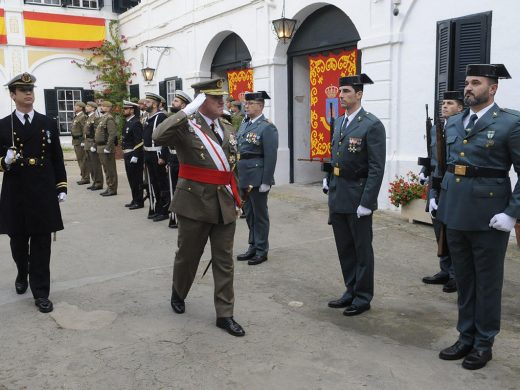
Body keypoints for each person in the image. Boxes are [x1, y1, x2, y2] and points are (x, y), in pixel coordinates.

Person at [436, 64, 520, 370]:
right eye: (467, 82)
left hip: (489, 216)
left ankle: (484, 343)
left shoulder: (511, 123)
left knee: (487, 283)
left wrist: (512, 213)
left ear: (492, 88)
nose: (468, 87)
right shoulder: (455, 121)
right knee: (465, 281)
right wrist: (439, 201)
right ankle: (465, 336)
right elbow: (448, 166)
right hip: (455, 212)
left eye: (476, 82)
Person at [153, 78, 245, 337]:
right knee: (188, 256)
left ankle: (225, 314)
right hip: (194, 202)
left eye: (222, 98)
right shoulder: (186, 126)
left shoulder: (226, 126)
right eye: (216, 98)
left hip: (224, 201)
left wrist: (239, 197)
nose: (222, 102)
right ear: (201, 101)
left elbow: (231, 165)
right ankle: (178, 291)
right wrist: (186, 110)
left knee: (224, 261)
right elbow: (158, 135)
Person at [0, 72, 67, 313]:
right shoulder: (3, 125)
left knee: (41, 243)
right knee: (18, 241)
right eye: (22, 90)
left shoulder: (47, 122)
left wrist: (61, 186)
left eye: (31, 90)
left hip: (42, 189)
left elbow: (56, 157)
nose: (28, 93)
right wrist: (4, 161)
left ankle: (41, 291)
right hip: (16, 189)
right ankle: (22, 271)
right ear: (12, 95)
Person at [326, 74, 386, 316]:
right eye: (341, 92)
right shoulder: (339, 122)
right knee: (345, 247)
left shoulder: (372, 124)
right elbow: (335, 156)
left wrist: (368, 202)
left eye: (346, 92)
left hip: (358, 194)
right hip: (339, 192)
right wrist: (327, 178)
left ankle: (363, 296)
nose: (341, 96)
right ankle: (350, 289)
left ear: (359, 94)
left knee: (362, 250)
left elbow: (376, 167)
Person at [421, 91, 464, 293]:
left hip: (453, 186)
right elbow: (433, 157)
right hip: (435, 183)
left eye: (450, 103)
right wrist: (424, 172)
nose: (444, 106)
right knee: (439, 230)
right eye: (443, 103)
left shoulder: (465, 128)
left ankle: (457, 274)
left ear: (460, 108)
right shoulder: (437, 129)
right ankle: (445, 270)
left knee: (453, 233)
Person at [235, 91, 278, 266]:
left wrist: (267, 181)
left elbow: (271, 156)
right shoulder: (244, 124)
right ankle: (253, 245)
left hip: (257, 176)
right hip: (243, 174)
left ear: (260, 106)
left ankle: (261, 250)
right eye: (246, 103)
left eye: (250, 103)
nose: (246, 106)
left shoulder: (267, 127)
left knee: (260, 215)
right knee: (250, 214)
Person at [166, 90, 192, 228]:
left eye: (176, 101)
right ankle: (174, 217)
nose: (172, 103)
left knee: (184, 189)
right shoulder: (171, 119)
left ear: (183, 105)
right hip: (172, 157)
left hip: (184, 158)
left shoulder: (188, 120)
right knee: (173, 188)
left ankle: (185, 217)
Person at [143, 92, 169, 221]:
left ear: (154, 104)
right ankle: (156, 207)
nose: (145, 104)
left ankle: (164, 210)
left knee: (161, 183)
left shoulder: (161, 117)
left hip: (157, 154)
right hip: (148, 153)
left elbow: (166, 138)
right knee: (153, 182)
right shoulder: (148, 117)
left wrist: (163, 156)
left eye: (147, 102)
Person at [122, 100, 144, 209]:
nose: (124, 110)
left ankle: (139, 201)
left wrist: (136, 155)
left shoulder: (136, 123)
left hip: (133, 155)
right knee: (131, 179)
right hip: (127, 154)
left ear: (132, 110)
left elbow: (139, 141)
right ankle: (134, 199)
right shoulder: (128, 121)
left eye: (126, 109)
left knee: (136, 179)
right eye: (124, 108)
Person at [95, 101, 118, 196]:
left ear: (108, 108)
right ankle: (109, 187)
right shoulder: (103, 118)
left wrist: (108, 147)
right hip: (101, 147)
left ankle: (112, 188)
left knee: (110, 169)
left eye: (103, 106)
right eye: (101, 106)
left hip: (106, 147)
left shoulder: (109, 119)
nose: (101, 107)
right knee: (106, 169)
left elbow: (112, 134)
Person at [84, 101, 104, 191]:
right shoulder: (89, 117)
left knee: (96, 164)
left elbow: (97, 132)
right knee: (90, 164)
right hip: (87, 142)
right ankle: (94, 181)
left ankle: (99, 183)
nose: (86, 107)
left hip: (92, 142)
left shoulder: (95, 118)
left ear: (93, 108)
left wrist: (94, 144)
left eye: (88, 106)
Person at [71, 101, 89, 185]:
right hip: (75, 141)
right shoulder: (77, 116)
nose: (74, 107)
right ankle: (83, 175)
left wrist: (83, 141)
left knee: (83, 160)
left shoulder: (83, 117)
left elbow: (84, 130)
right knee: (80, 160)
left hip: (80, 141)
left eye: (76, 106)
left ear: (81, 108)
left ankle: (85, 177)